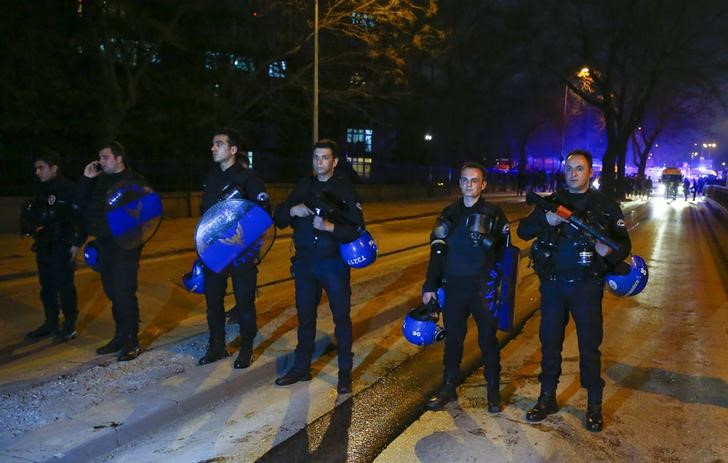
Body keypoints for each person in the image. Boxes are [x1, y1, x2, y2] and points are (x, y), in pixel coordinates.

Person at [517, 150, 631, 432]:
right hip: (553, 285)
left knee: (589, 348)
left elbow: (623, 246)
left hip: (586, 286)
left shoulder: (604, 205)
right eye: (569, 168)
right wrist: (547, 221)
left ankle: (593, 404)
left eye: (579, 168)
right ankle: (547, 398)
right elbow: (523, 231)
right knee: (550, 344)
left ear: (590, 172)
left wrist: (609, 252)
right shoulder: (553, 203)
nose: (573, 173)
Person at [273, 139, 364, 394]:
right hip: (305, 264)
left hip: (333, 264)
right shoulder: (304, 185)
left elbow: (357, 229)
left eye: (324, 158)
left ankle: (345, 372)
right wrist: (293, 209)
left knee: (341, 318)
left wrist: (330, 227)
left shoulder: (345, 190)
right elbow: (278, 219)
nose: (319, 162)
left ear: (334, 162)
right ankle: (302, 367)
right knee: (305, 318)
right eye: (316, 158)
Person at [422, 162, 510, 412]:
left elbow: (507, 255)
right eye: (465, 180)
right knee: (454, 341)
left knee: (487, 341)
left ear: (483, 184)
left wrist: (499, 282)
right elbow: (436, 253)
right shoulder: (449, 213)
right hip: (456, 287)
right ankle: (448, 387)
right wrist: (430, 285)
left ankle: (493, 392)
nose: (469, 184)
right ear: (459, 182)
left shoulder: (494, 213)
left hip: (483, 289)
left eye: (474, 180)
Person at [197, 128, 270, 368]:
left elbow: (263, 215)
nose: (213, 147)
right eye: (212, 144)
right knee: (213, 301)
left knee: (244, 302)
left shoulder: (249, 179)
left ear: (233, 150)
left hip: (241, 251)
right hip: (215, 251)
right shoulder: (211, 176)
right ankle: (216, 346)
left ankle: (246, 348)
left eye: (219, 144)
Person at [76, 142, 146, 361]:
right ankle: (119, 336)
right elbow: (79, 204)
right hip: (104, 244)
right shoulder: (99, 180)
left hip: (125, 247)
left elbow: (146, 214)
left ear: (118, 158)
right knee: (112, 292)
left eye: (105, 157)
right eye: (100, 157)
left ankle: (131, 340)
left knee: (124, 293)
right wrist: (87, 179)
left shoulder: (134, 182)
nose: (100, 161)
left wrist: (135, 241)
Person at [22, 149, 83, 343]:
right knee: (46, 286)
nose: (37, 172)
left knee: (64, 286)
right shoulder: (41, 188)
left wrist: (76, 242)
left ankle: (69, 325)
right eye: (36, 168)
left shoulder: (68, 188)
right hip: (44, 243)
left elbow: (79, 217)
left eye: (41, 168)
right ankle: (50, 323)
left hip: (62, 243)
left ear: (54, 168)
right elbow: (39, 215)